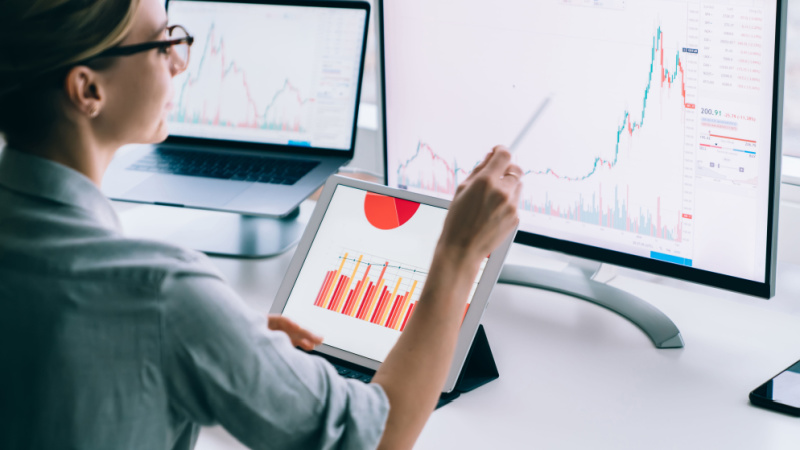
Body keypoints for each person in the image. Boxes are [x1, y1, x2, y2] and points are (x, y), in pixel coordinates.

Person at [0, 0, 523, 448]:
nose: (179, 65)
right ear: (88, 91)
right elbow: (372, 437)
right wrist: (457, 255)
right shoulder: (162, 294)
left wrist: (215, 336)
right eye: (162, 46)